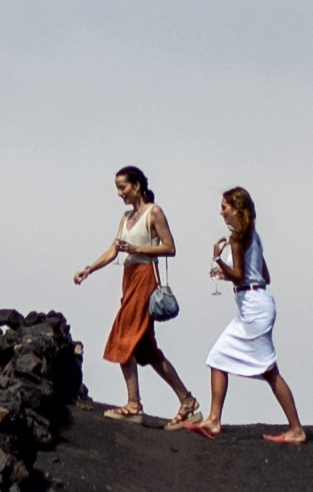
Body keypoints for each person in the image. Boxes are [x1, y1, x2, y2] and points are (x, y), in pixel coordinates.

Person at [72, 163, 193, 424]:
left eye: (122, 187)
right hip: (129, 278)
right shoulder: (126, 217)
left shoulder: (154, 212)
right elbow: (114, 250)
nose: (120, 193)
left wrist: (136, 248)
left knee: (122, 336)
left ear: (136, 186)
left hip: (145, 277)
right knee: (146, 349)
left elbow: (169, 247)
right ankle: (187, 401)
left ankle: (133, 404)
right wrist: (89, 269)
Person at [193, 185, 300, 440]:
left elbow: (240, 276)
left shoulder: (237, 238)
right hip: (259, 302)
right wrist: (229, 274)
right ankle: (214, 419)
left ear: (236, 209)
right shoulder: (254, 235)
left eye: (224, 208)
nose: (221, 213)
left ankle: (295, 429)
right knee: (226, 360)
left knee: (243, 363)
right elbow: (265, 276)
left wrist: (219, 260)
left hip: (253, 307)